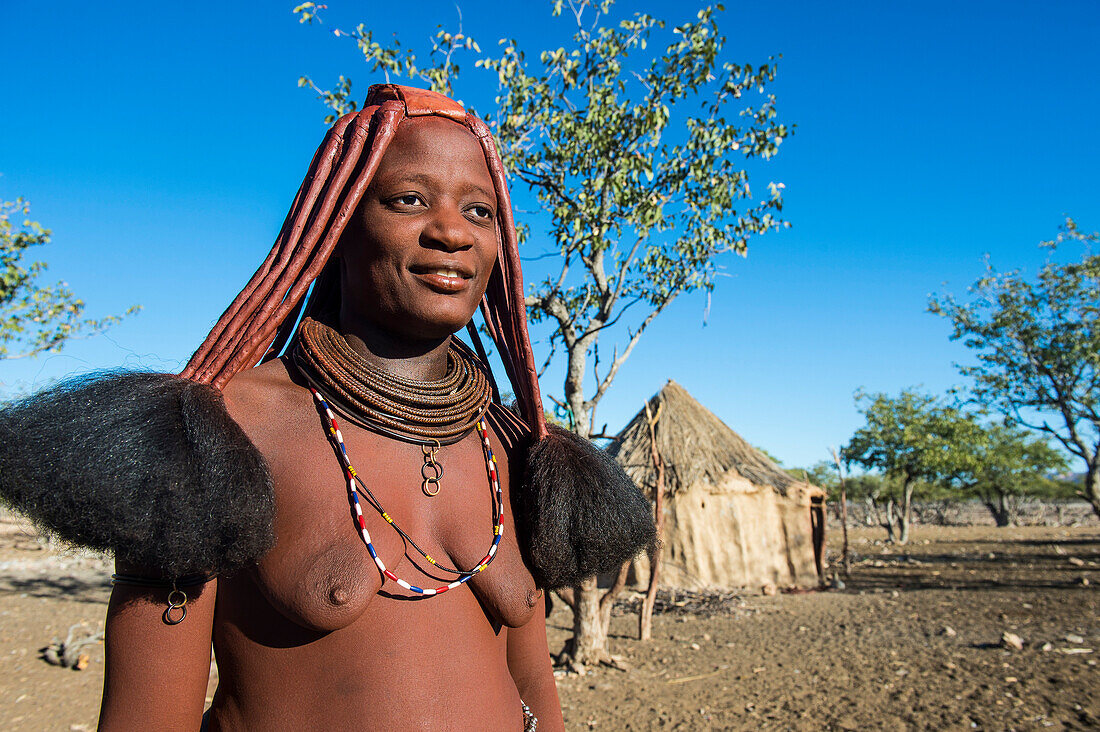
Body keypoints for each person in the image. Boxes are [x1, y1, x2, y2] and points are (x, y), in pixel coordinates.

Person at [0, 85, 654, 730]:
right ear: (338, 227)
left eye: (481, 212)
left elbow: (535, 688)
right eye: (410, 199)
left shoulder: (513, 449)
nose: (453, 230)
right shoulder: (221, 434)